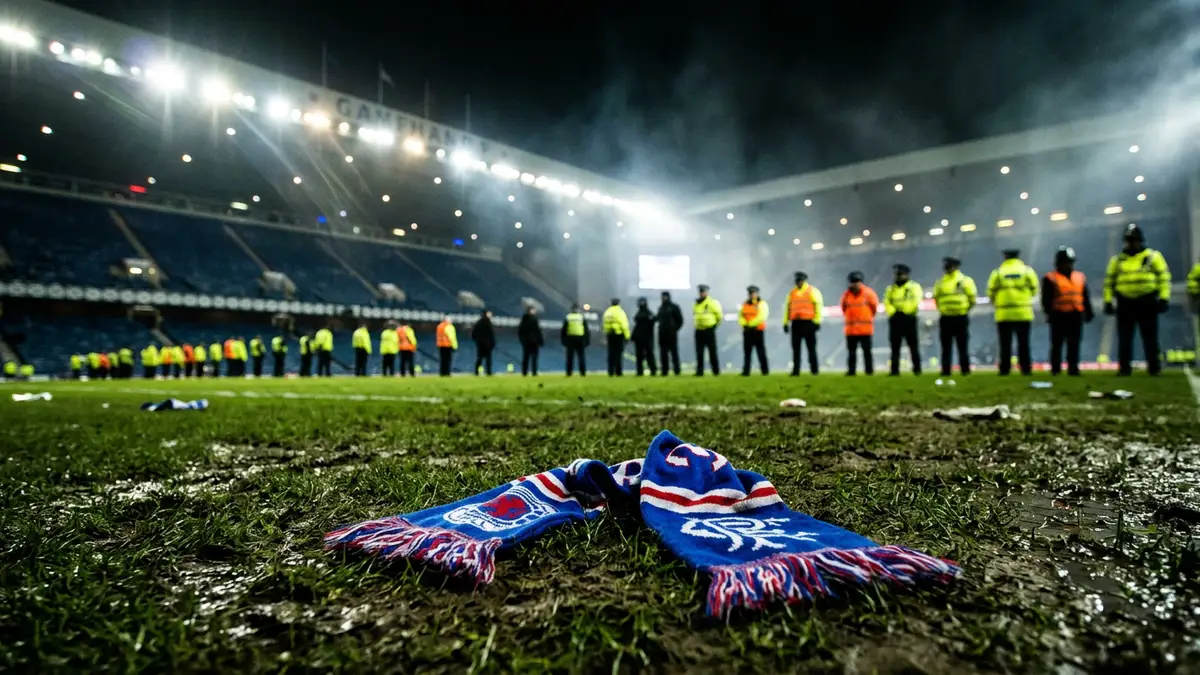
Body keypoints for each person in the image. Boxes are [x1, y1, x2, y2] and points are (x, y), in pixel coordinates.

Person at [1104, 223, 1171, 376]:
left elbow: (1164, 278)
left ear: (1140, 240)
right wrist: (1108, 301)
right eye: (1129, 240)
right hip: (1125, 302)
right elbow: (1109, 282)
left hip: (1147, 301)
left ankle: (1154, 368)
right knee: (1124, 338)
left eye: (1134, 240)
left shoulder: (1152, 257)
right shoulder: (1117, 260)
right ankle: (1124, 369)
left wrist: (1164, 297)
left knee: (1150, 338)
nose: (1131, 243)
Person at [1042, 246, 1094, 376]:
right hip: (1058, 315)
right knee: (1057, 344)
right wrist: (1049, 313)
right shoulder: (1051, 278)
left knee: (1074, 344)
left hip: (1076, 314)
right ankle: (1055, 368)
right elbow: (1046, 299)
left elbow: (1085, 296)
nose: (1068, 265)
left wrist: (1088, 311)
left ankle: (1073, 368)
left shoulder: (1080, 277)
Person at [988, 249, 1039, 376]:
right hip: (1023, 313)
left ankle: (1005, 369)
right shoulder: (1027, 271)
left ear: (1005, 257)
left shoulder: (998, 272)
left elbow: (990, 291)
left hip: (1004, 314)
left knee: (1005, 344)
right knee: (1024, 343)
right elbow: (1035, 289)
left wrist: (999, 302)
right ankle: (1026, 368)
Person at [932, 256, 976, 376]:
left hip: (959, 316)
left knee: (961, 345)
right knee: (947, 346)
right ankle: (947, 370)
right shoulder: (941, 282)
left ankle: (964, 369)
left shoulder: (964, 281)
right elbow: (936, 298)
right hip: (947, 317)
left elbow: (972, 298)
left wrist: (964, 309)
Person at [884, 264, 923, 376]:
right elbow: (887, 302)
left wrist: (904, 311)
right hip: (895, 319)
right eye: (897, 275)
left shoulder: (913, 287)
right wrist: (893, 312)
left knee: (913, 346)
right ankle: (894, 370)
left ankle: (917, 369)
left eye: (900, 274)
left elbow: (916, 301)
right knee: (895, 347)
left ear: (906, 275)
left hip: (909, 318)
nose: (898, 277)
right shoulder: (890, 289)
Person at [783, 271, 823, 376]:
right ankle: (796, 370)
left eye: (800, 280)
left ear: (803, 280)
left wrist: (817, 321)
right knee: (796, 349)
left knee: (811, 348)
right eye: (797, 280)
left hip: (808, 322)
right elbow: (787, 309)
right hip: (796, 323)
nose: (798, 282)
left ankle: (814, 370)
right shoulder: (792, 293)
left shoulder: (812, 291)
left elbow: (818, 306)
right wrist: (785, 323)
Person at [841, 271, 878, 376]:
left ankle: (869, 371)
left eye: (857, 282)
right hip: (851, 330)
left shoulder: (869, 293)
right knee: (851, 353)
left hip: (865, 329)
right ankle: (851, 371)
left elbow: (874, 308)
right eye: (853, 282)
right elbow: (843, 308)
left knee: (867, 352)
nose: (855, 284)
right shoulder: (846, 295)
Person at [739, 285, 769, 375]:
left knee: (761, 352)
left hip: (758, 330)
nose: (752, 295)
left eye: (753, 293)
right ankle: (746, 371)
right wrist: (744, 324)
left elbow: (762, 316)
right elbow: (740, 316)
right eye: (750, 293)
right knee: (747, 352)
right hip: (747, 331)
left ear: (757, 294)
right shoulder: (744, 304)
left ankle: (764, 371)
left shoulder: (761, 303)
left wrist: (750, 324)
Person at [693, 284, 723, 376]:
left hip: (709, 330)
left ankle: (715, 371)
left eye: (703, 291)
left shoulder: (712, 302)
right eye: (701, 292)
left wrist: (714, 326)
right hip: (699, 330)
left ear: (707, 292)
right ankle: (700, 371)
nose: (702, 293)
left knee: (712, 352)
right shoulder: (696, 303)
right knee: (699, 353)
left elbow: (719, 316)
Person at [656, 291, 683, 376]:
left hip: (671, 334)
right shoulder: (661, 308)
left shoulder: (674, 307)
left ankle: (676, 370)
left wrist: (675, 329)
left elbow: (680, 320)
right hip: (662, 334)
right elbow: (658, 319)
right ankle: (665, 370)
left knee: (674, 352)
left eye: (665, 297)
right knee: (663, 353)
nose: (663, 298)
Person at [602, 298, 631, 376]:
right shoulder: (620, 312)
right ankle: (618, 371)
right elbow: (624, 325)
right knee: (618, 354)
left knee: (611, 353)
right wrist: (627, 336)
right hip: (618, 335)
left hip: (610, 335)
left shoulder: (607, 312)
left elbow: (604, 324)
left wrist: (606, 334)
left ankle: (610, 371)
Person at [632, 298, 657, 376]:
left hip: (643, 337)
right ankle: (650, 370)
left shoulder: (642, 314)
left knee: (645, 355)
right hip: (645, 338)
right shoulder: (648, 314)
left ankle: (645, 371)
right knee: (645, 355)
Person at [562, 303, 589, 376]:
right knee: (581, 356)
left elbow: (564, 330)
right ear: (578, 309)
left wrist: (563, 340)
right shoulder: (581, 317)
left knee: (570, 357)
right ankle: (582, 372)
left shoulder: (568, 317)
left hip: (570, 338)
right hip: (580, 338)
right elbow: (586, 330)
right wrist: (587, 340)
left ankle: (569, 372)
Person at [518, 306, 543, 376]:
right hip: (533, 341)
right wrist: (540, 340)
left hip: (526, 341)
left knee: (526, 357)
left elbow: (520, 331)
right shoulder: (534, 319)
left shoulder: (524, 319)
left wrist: (522, 339)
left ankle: (524, 372)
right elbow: (538, 331)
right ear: (531, 311)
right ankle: (534, 372)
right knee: (534, 357)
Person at [471, 310, 495, 376]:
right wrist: (492, 343)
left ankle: (476, 372)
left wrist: (477, 341)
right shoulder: (488, 322)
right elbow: (491, 334)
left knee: (480, 358)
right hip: (487, 344)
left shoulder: (478, 322)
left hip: (480, 344)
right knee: (488, 359)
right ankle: (489, 372)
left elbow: (473, 334)